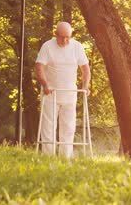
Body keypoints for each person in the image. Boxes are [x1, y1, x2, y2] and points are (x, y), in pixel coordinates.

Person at [35, 21, 90, 158]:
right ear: (56, 34)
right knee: (48, 127)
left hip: (70, 94)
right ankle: (48, 158)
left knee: (69, 127)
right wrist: (45, 85)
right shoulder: (47, 47)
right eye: (62, 37)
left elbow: (85, 69)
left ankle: (65, 158)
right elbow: (39, 67)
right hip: (51, 93)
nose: (65, 40)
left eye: (68, 37)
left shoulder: (77, 47)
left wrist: (85, 87)